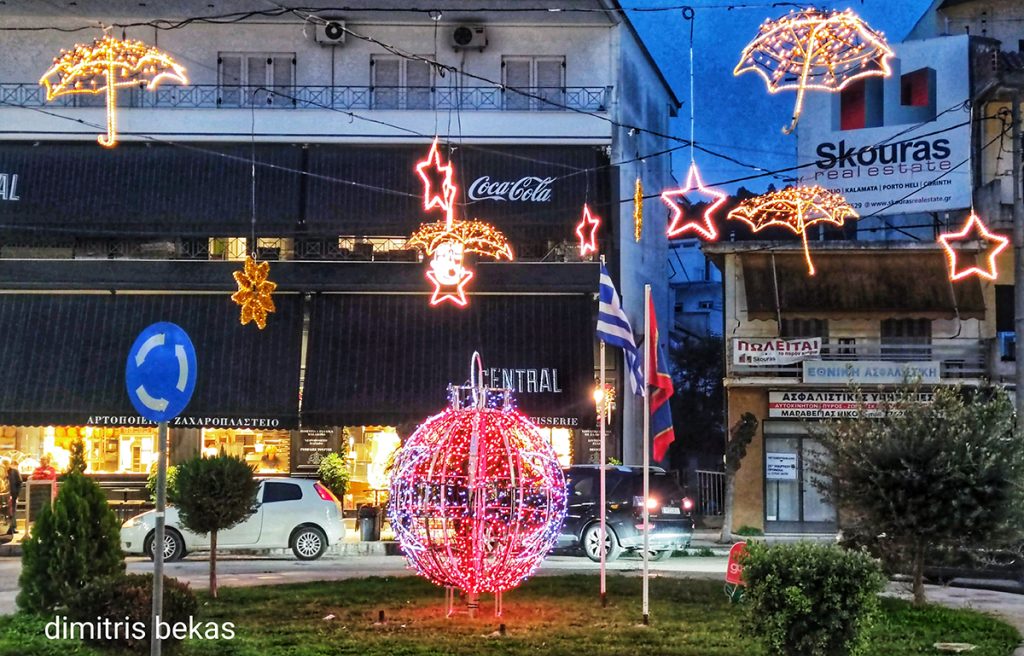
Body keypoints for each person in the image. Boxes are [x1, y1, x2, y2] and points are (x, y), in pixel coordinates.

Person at [5, 457, 20, 535]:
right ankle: (7, 528)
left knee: (13, 512)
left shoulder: (15, 471)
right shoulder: (3, 472)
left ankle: (13, 527)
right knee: (7, 512)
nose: (5, 465)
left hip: (13, 495)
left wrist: (17, 494)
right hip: (5, 495)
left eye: (6, 463)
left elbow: (19, 482)